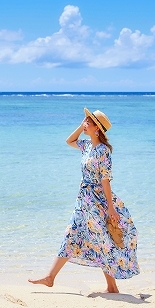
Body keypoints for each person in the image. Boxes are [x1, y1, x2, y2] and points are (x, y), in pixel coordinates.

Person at [29, 108, 139, 293]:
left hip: (97, 201)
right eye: (85, 120)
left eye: (88, 121)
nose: (84, 123)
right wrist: (81, 127)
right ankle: (50, 277)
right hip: (83, 200)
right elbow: (69, 141)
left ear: (97, 128)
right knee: (71, 235)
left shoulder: (103, 151)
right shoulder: (87, 146)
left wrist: (110, 208)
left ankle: (112, 286)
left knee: (103, 239)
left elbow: (105, 180)